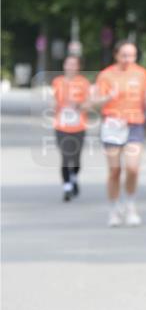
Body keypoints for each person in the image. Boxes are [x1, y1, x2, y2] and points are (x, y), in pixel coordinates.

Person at [93, 41, 146, 227]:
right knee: (114, 170)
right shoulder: (106, 75)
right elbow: (95, 102)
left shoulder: (141, 73)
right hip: (112, 124)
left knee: (133, 168)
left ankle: (130, 205)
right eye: (125, 55)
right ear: (116, 55)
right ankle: (114, 209)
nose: (129, 59)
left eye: (132, 55)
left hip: (134, 123)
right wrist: (107, 97)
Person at [50, 55, 91, 201]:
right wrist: (55, 106)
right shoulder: (57, 82)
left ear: (78, 67)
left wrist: (78, 105)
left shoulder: (84, 83)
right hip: (61, 125)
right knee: (65, 156)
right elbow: (52, 101)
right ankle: (67, 187)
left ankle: (73, 176)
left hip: (79, 125)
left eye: (74, 64)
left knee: (76, 159)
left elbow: (89, 103)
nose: (71, 67)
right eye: (68, 64)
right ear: (64, 65)